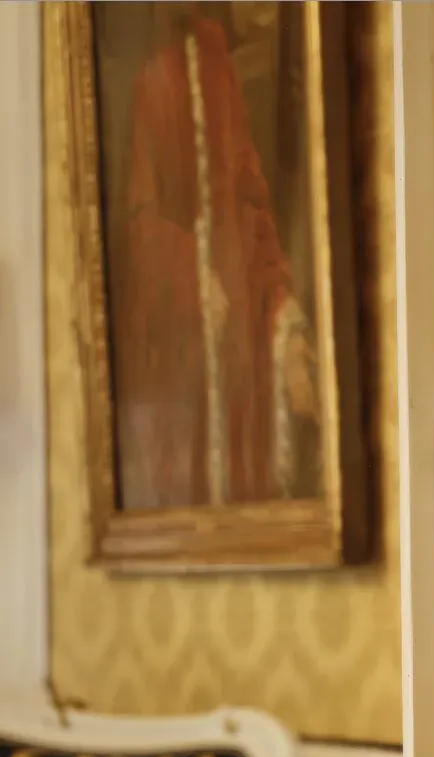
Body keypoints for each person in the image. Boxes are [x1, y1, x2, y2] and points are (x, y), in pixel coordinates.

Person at [113, 4, 318, 510]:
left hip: (238, 372)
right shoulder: (156, 82)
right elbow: (138, 222)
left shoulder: (223, 81)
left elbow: (254, 221)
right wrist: (192, 275)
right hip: (180, 374)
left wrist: (286, 337)